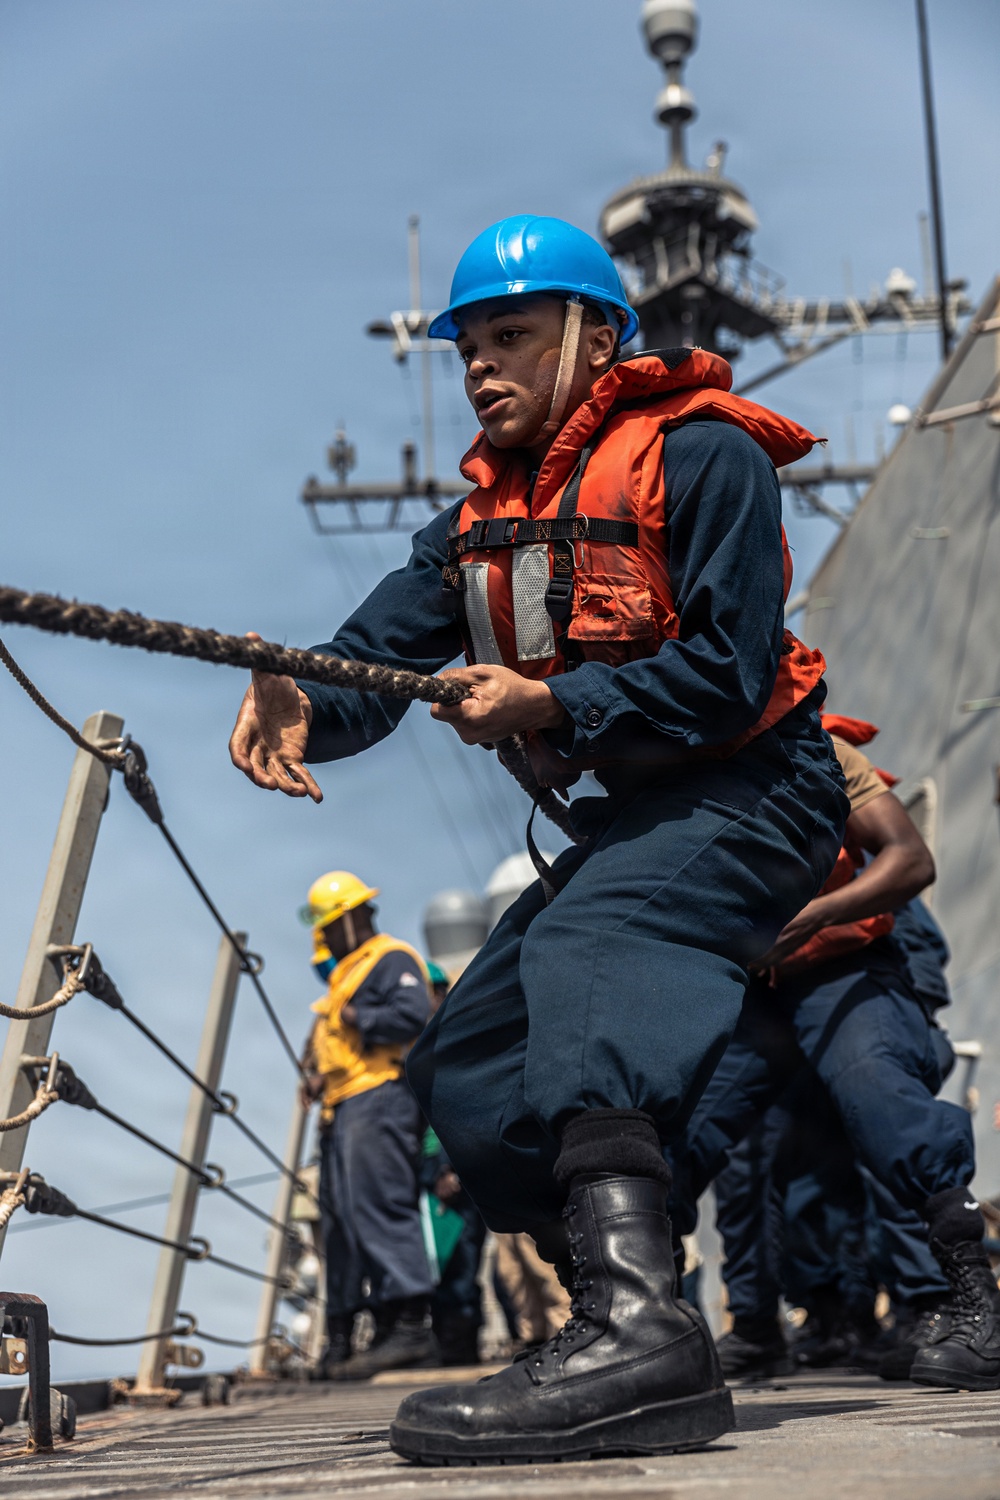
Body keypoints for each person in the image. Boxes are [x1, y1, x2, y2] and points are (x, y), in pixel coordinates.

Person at [230, 214, 847, 1461]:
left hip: (754, 789)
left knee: (594, 951)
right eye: (467, 346)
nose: (479, 366)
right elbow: (372, 660)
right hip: (633, 820)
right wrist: (305, 698)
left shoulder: (705, 455)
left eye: (509, 335)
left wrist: (559, 701)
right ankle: (621, 1311)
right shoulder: (474, 526)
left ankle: (636, 1329)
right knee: (472, 1065)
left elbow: (727, 672)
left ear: (596, 335)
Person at [670, 719, 1000, 1393]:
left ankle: (967, 1305)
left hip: (838, 966)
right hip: (750, 993)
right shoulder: (655, 772)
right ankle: (636, 1323)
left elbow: (911, 861)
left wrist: (814, 916)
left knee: (882, 1102)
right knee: (671, 1139)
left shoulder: (817, 749)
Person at [299, 870, 437, 1379]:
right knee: (342, 1221)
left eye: (331, 926)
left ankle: (409, 1325)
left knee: (379, 1204)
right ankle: (366, 1329)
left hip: (379, 1096)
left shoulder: (389, 958)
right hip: (342, 1107)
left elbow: (412, 1013)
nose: (324, 937)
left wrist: (362, 1019)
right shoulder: (344, 974)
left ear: (354, 917)